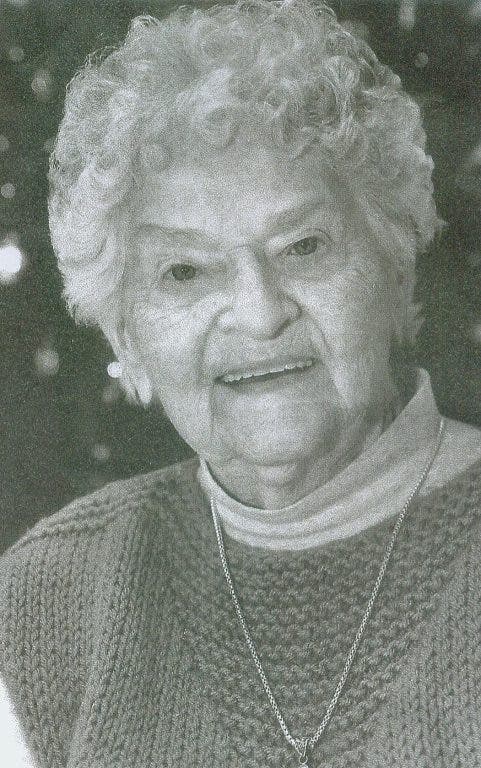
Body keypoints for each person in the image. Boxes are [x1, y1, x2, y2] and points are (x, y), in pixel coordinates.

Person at [1, 1, 480, 766]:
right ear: (126, 331)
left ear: (395, 262)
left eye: (303, 246)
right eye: (184, 271)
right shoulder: (48, 598)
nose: (258, 314)